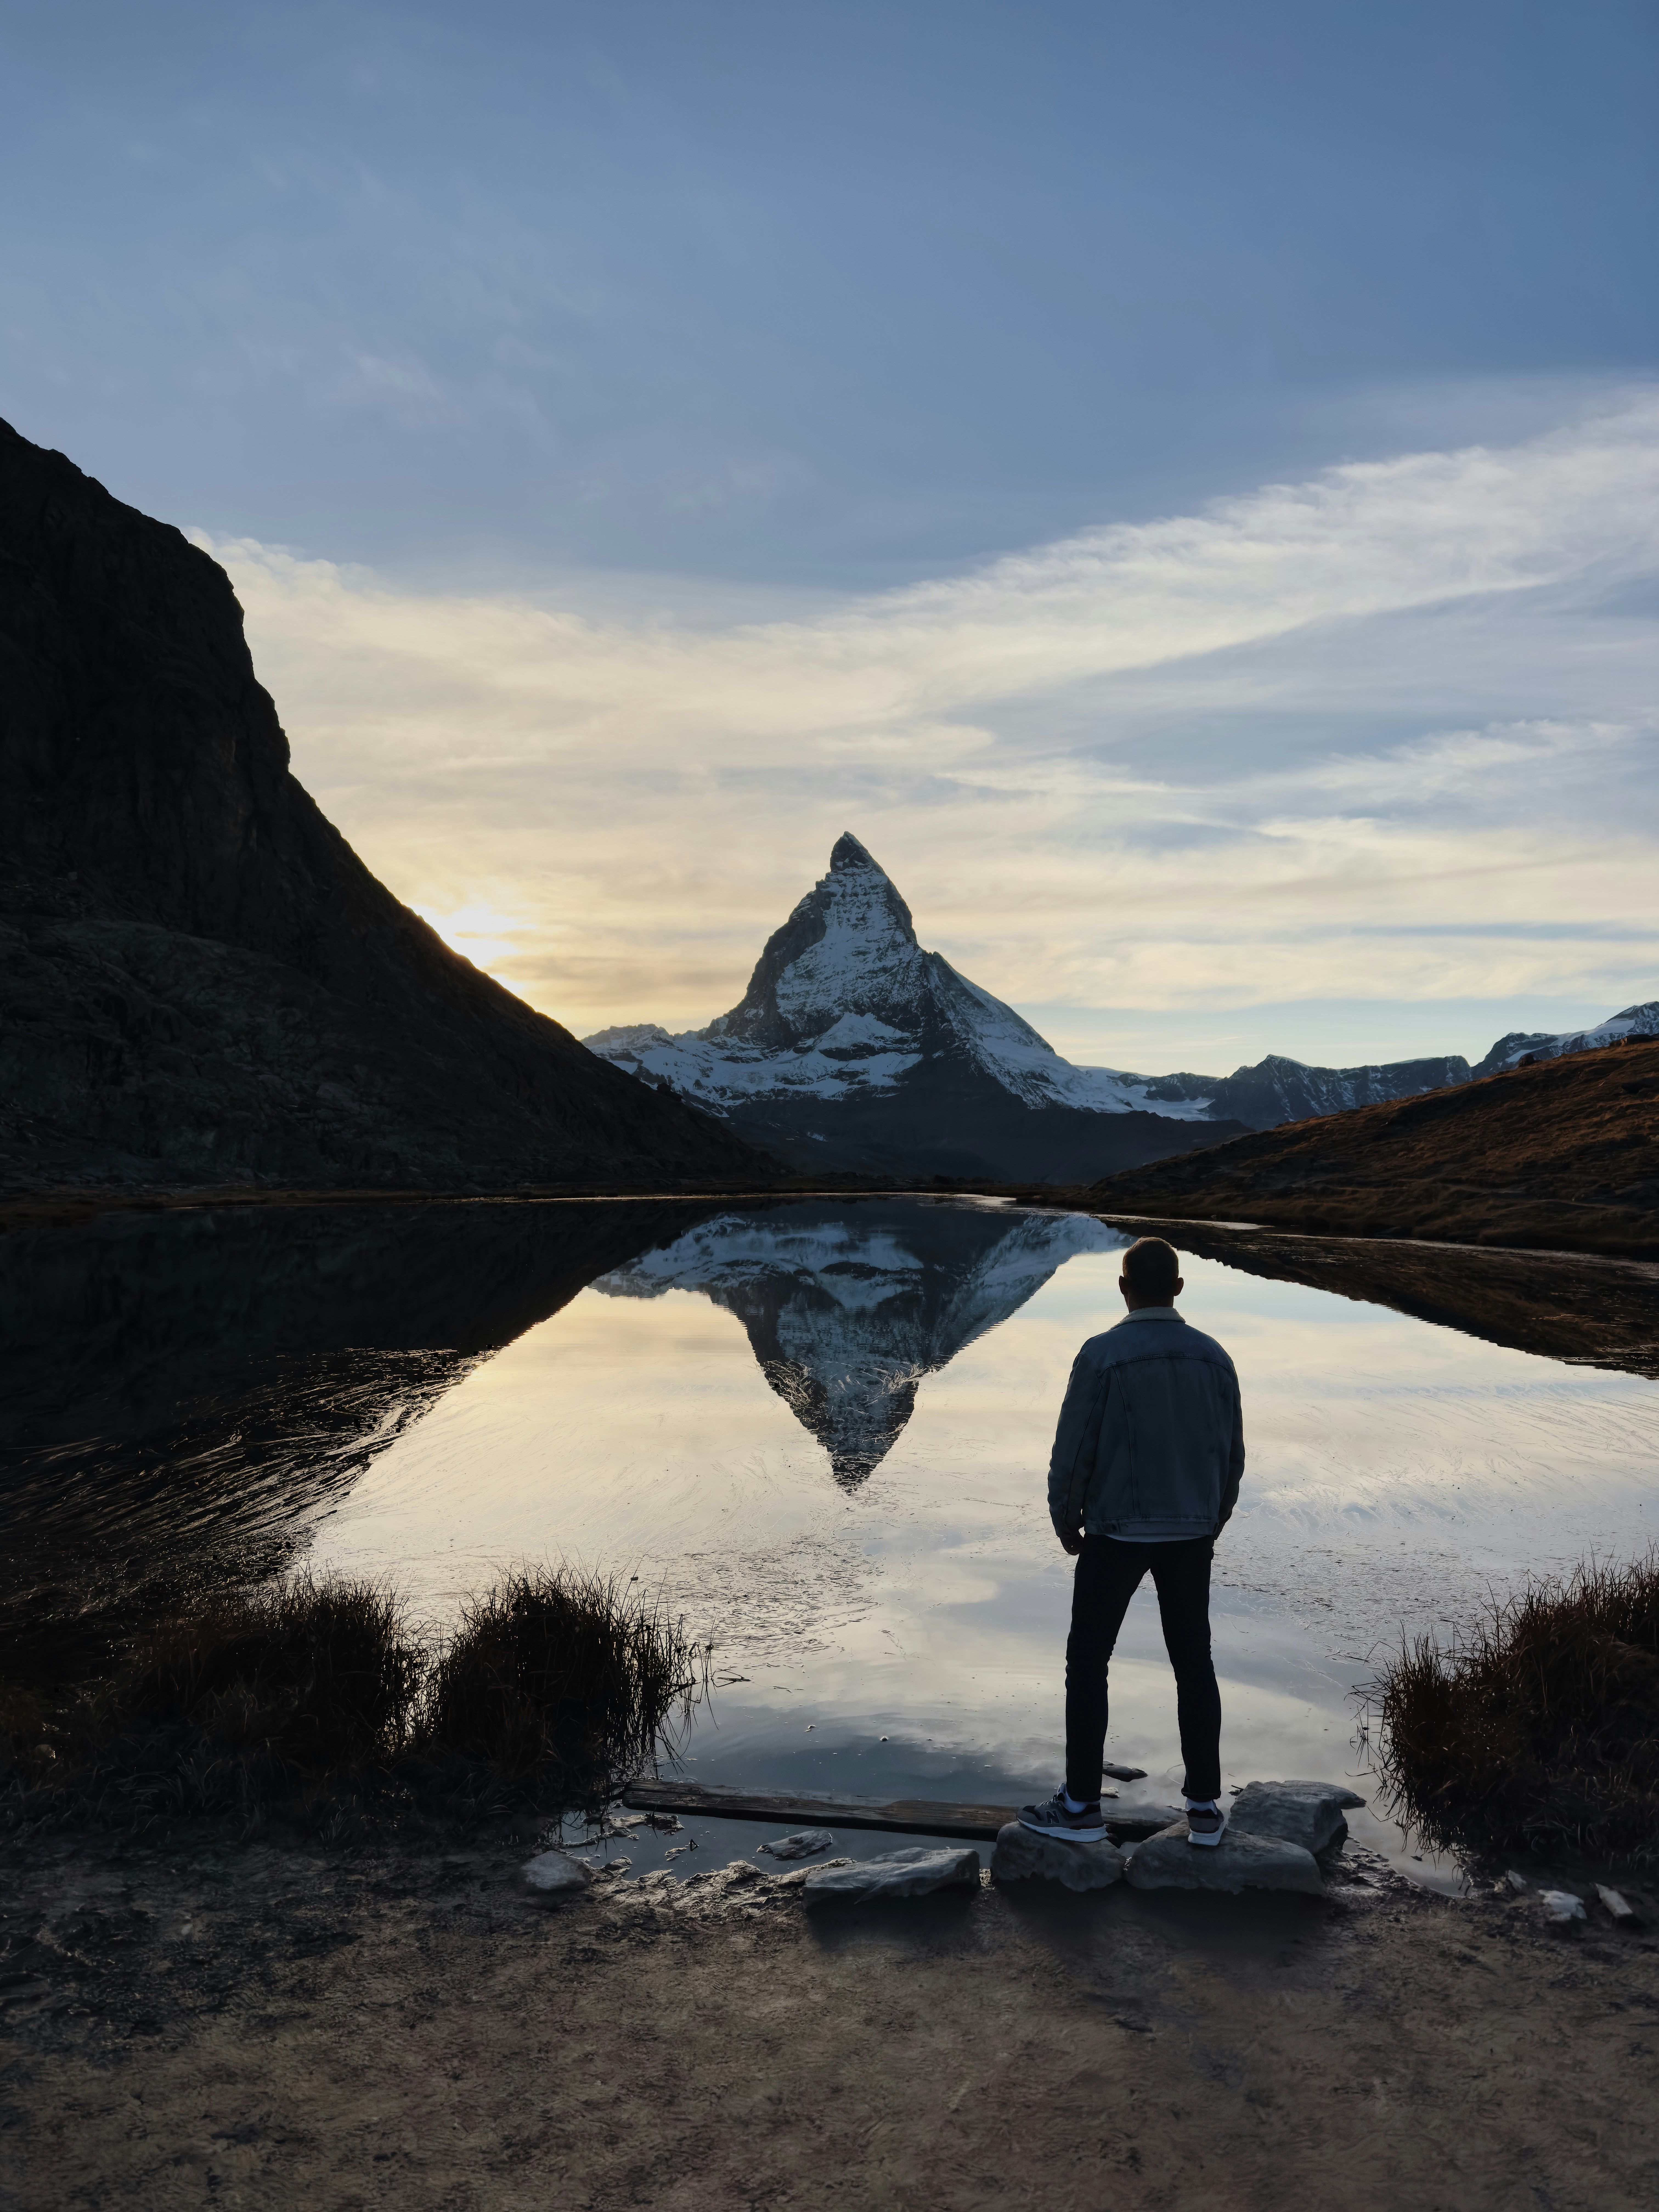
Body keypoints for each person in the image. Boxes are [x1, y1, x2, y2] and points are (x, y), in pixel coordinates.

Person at [1019, 1234, 1244, 1849]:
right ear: (1177, 1288)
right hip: (1191, 1532)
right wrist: (1212, 1519)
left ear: (1124, 1288)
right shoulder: (1214, 1358)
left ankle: (1081, 1808)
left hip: (1117, 1532)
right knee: (1193, 1662)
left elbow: (1074, 1450)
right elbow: (1232, 1455)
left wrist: (1068, 1520)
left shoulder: (1103, 1355)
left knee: (1088, 1662)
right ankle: (1203, 1811)